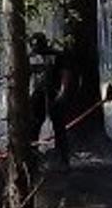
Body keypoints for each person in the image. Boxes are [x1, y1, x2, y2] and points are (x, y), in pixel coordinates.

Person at [27, 32, 78, 165]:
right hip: (41, 94)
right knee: (35, 125)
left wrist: (62, 92)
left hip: (52, 94)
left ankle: (62, 158)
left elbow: (65, 74)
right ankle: (33, 157)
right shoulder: (33, 57)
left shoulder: (55, 55)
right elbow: (26, 77)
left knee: (56, 126)